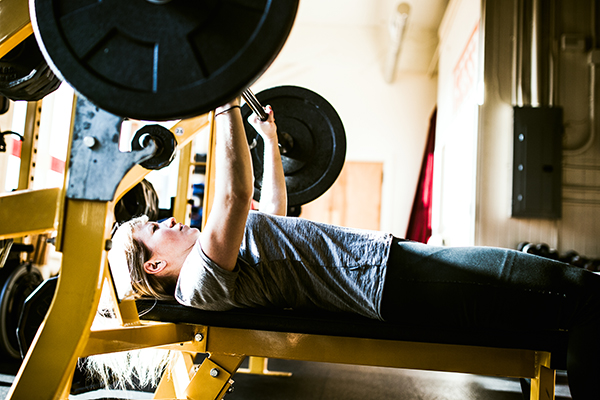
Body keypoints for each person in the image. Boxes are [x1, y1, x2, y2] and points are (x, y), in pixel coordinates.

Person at [109, 97, 600, 399]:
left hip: (388, 267)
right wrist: (223, 104)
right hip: (385, 284)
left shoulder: (219, 255)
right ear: (154, 262)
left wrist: (270, 138)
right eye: (155, 227)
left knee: (555, 296)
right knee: (563, 289)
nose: (169, 219)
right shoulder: (197, 282)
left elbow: (273, 209)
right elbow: (234, 195)